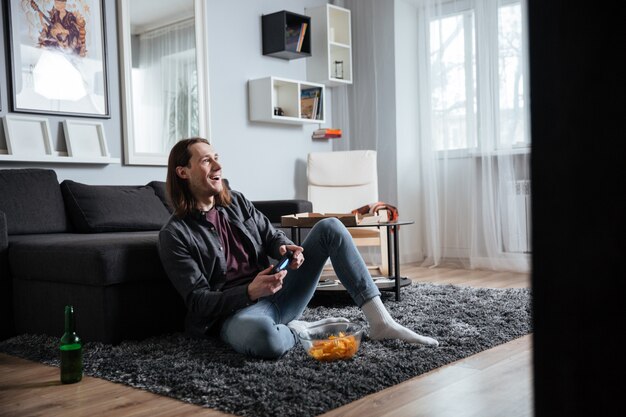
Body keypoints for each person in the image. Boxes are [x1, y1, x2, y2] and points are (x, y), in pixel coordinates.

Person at [158, 138, 438, 359]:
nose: (218, 166)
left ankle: (381, 323)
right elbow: (197, 302)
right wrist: (249, 291)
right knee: (265, 340)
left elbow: (271, 235)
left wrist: (285, 249)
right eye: (206, 161)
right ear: (183, 172)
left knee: (330, 227)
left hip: (281, 289)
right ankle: (301, 328)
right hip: (239, 313)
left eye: (217, 158)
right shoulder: (175, 235)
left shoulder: (236, 202)